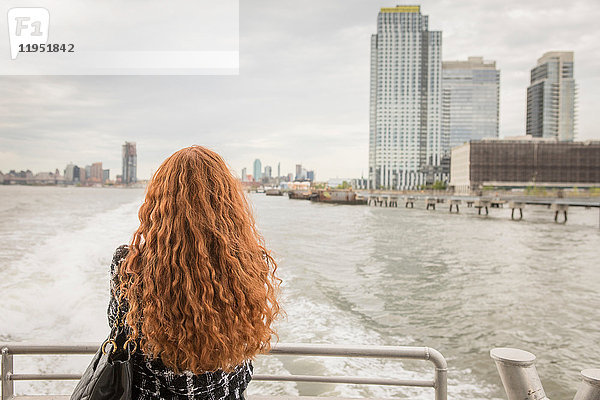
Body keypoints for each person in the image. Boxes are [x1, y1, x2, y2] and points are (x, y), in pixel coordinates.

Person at [107, 146, 281, 400]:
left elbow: (119, 331)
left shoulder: (128, 265)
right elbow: (246, 352)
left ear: (160, 201)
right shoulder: (251, 263)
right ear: (228, 204)